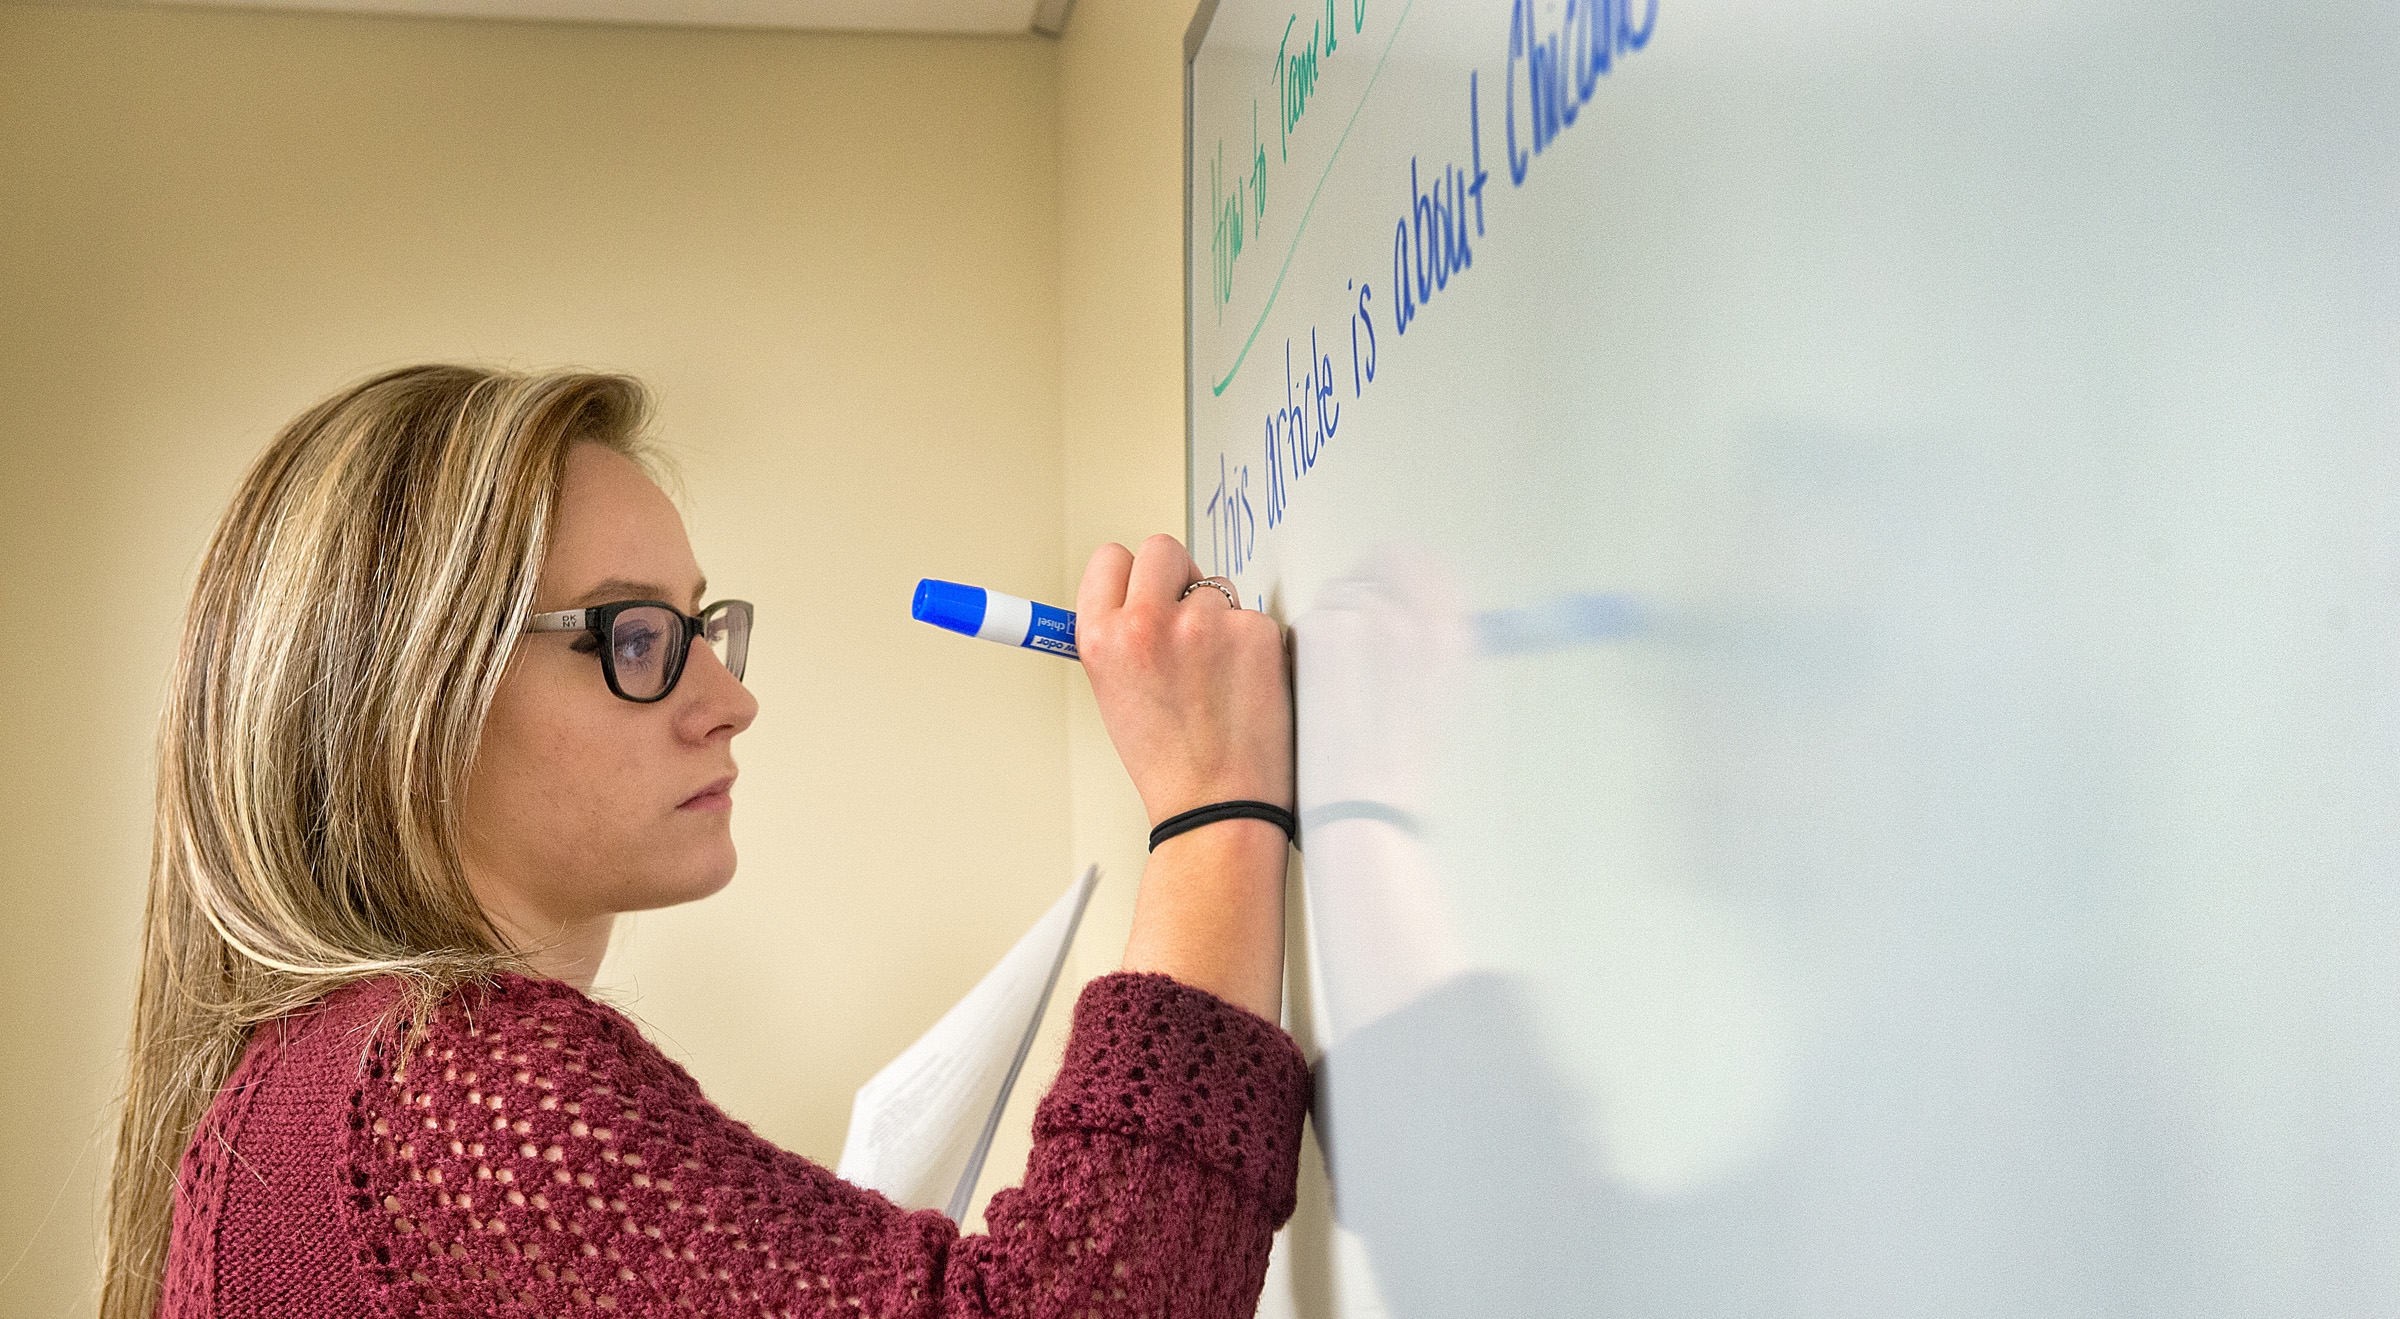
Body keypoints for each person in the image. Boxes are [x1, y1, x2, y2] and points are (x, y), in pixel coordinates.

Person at [100, 365, 1305, 1319]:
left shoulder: (304, 1100)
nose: (728, 698)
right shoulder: (448, 1099)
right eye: (637, 636)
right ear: (411, 696)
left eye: (702, 625)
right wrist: (1213, 808)